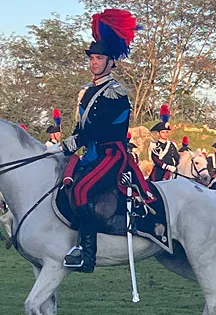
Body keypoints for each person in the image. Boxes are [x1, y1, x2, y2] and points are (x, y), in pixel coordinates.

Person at [54, 8, 152, 272]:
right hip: (90, 154)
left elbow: (102, 129)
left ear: (111, 63)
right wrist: (68, 144)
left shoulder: (116, 93)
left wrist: (75, 142)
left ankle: (87, 256)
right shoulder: (86, 92)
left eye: (99, 58)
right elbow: (81, 127)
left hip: (112, 154)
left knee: (82, 190)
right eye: (92, 58)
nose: (94, 62)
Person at [148, 104, 180, 181]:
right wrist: (167, 167)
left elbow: (177, 158)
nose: (165, 134)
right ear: (159, 133)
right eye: (163, 132)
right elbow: (156, 160)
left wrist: (175, 166)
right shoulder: (155, 145)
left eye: (166, 132)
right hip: (159, 172)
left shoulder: (172, 145)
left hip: (172, 171)